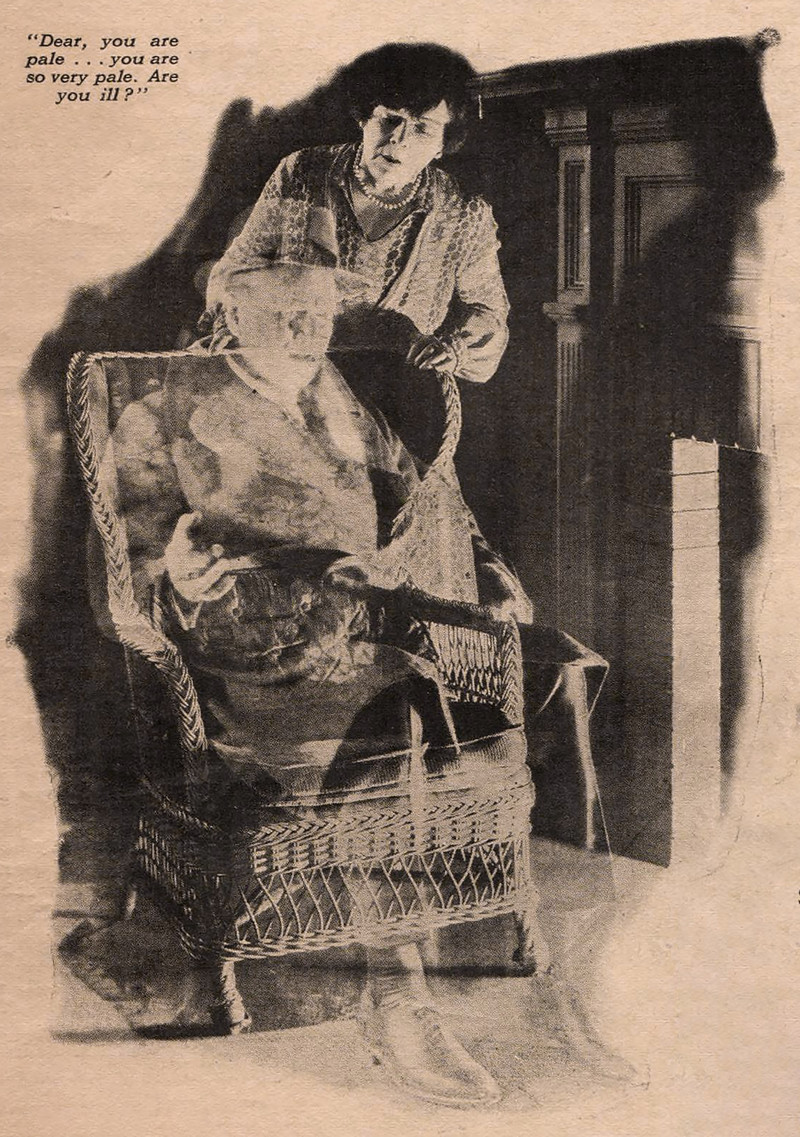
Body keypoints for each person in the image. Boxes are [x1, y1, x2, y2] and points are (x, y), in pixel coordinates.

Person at [107, 261, 532, 1106]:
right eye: (281, 310)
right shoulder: (163, 416)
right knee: (389, 713)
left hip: (363, 634)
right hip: (244, 657)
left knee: (465, 687)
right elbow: (125, 574)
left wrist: (490, 573)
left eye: (317, 310)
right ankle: (396, 993)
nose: (305, 328)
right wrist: (177, 579)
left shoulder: (341, 401)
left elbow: (425, 499)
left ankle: (394, 950)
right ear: (232, 310)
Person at [203, 42, 511, 388]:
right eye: (389, 119)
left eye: (422, 128)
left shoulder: (463, 212)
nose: (398, 139)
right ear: (364, 118)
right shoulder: (303, 171)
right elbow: (239, 268)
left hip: (397, 383)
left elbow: (489, 309)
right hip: (288, 371)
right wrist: (231, 324)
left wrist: (455, 349)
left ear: (442, 145)